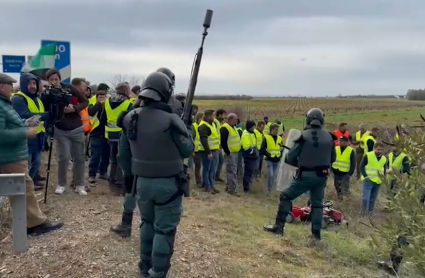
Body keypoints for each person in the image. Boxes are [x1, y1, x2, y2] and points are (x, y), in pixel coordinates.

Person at [122, 71, 193, 278]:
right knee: (164, 230)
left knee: (147, 223)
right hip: (168, 184)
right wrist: (187, 129)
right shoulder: (170, 120)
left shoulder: (130, 117)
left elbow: (124, 153)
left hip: (142, 182)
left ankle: (144, 266)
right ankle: (158, 272)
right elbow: (187, 150)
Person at [0, 73, 63, 235]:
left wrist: (24, 123)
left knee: (24, 188)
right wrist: (24, 132)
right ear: (1, 86)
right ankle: (34, 224)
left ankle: (31, 222)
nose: (12, 88)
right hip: (10, 157)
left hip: (14, 155)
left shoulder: (4, 103)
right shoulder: (4, 104)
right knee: (25, 188)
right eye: (9, 85)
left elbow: (11, 123)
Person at [264, 108, 336, 242]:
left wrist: (302, 162)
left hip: (306, 175)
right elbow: (333, 158)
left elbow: (290, 157)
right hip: (322, 176)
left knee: (285, 196)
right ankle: (316, 236)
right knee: (317, 204)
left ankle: (279, 227)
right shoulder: (329, 137)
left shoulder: (303, 136)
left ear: (308, 119)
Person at [43, 69, 88, 196]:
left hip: (76, 127)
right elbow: (45, 109)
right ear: (48, 81)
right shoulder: (48, 93)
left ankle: (79, 184)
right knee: (63, 158)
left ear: (60, 79)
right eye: (51, 80)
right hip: (60, 129)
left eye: (56, 79)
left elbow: (85, 101)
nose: (54, 82)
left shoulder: (70, 88)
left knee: (79, 157)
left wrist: (74, 108)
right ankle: (61, 184)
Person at [11, 73, 49, 191]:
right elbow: (24, 115)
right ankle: (24, 188)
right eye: (29, 83)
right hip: (26, 138)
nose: (32, 86)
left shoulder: (37, 98)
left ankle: (30, 183)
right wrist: (45, 116)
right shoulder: (18, 98)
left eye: (34, 83)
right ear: (23, 84)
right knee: (26, 165)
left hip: (38, 137)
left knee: (36, 163)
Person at [105, 82, 132, 194]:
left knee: (113, 159)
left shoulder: (107, 101)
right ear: (125, 90)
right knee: (122, 159)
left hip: (109, 134)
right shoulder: (127, 103)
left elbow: (103, 117)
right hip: (121, 134)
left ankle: (111, 180)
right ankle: (119, 184)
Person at [87, 90, 110, 184]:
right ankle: (92, 174)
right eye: (100, 97)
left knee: (106, 155)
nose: (102, 99)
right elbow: (91, 112)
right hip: (96, 133)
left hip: (106, 134)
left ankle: (103, 172)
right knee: (95, 155)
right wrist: (99, 104)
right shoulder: (93, 105)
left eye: (103, 97)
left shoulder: (108, 106)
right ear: (96, 98)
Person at [359, 142, 386, 216]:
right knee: (365, 199)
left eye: (381, 150)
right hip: (368, 180)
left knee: (373, 199)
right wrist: (365, 176)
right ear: (374, 149)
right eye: (378, 149)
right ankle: (363, 214)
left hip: (378, 181)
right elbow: (361, 166)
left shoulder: (384, 158)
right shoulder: (368, 155)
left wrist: (384, 178)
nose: (379, 151)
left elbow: (384, 169)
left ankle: (370, 214)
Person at [198, 110, 220, 194]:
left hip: (213, 150)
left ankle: (211, 185)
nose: (213, 117)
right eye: (211, 116)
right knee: (206, 169)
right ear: (207, 116)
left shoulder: (211, 124)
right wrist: (208, 152)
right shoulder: (203, 126)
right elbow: (204, 140)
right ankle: (207, 187)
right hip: (206, 151)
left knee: (212, 169)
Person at [220, 113, 241, 196]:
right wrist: (227, 152)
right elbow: (223, 141)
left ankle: (229, 187)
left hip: (235, 152)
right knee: (232, 171)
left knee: (232, 171)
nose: (236, 121)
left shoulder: (233, 127)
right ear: (231, 119)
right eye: (235, 119)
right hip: (230, 153)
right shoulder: (225, 128)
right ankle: (232, 189)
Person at [261, 123, 283, 193]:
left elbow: (282, 148)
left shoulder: (280, 138)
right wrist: (269, 155)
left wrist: (280, 156)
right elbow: (262, 149)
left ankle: (271, 189)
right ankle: (269, 189)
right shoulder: (266, 138)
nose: (277, 131)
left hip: (277, 160)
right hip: (269, 160)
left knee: (274, 176)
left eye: (277, 130)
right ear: (271, 130)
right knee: (270, 175)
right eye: (276, 130)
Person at [241, 120, 258, 192]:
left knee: (251, 171)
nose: (254, 128)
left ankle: (249, 185)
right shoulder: (246, 134)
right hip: (249, 156)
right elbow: (246, 148)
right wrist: (253, 152)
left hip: (253, 156)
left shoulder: (252, 133)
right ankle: (246, 187)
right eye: (253, 126)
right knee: (248, 172)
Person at [214, 109, 227, 182]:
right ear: (219, 115)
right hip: (215, 146)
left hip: (219, 145)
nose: (224, 117)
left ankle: (217, 176)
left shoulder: (220, 123)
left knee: (221, 160)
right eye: (223, 115)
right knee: (216, 162)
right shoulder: (215, 122)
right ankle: (213, 177)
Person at [191, 112, 204, 186]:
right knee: (198, 166)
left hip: (202, 149)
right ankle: (198, 181)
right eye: (202, 118)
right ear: (198, 118)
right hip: (196, 150)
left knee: (202, 166)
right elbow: (191, 139)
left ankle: (202, 181)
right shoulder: (194, 126)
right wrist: (192, 151)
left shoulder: (203, 125)